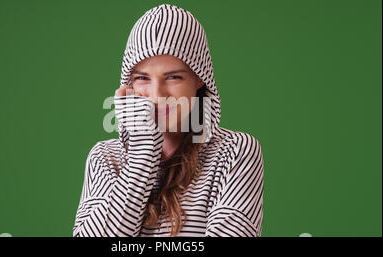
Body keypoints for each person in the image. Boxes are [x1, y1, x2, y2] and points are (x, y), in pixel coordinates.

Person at [73, 3, 264, 237]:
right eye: (142, 78)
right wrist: (142, 155)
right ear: (129, 85)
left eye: (173, 77)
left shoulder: (235, 152)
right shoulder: (105, 158)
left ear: (199, 78)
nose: (157, 95)